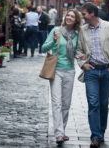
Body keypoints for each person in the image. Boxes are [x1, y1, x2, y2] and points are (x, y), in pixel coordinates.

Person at [76, 2, 109, 148]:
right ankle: (95, 136)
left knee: (103, 104)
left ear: (92, 14)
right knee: (93, 103)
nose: (82, 17)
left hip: (107, 71)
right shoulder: (82, 30)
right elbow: (78, 51)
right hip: (91, 72)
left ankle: (101, 132)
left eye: (84, 14)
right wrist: (83, 65)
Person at [42, 9, 81, 146]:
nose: (69, 18)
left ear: (76, 20)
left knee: (66, 104)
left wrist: (80, 56)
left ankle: (62, 130)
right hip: (56, 70)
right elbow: (43, 48)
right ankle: (58, 133)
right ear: (65, 17)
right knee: (56, 102)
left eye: (73, 16)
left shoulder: (77, 34)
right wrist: (53, 41)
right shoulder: (56, 31)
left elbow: (77, 51)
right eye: (68, 15)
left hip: (70, 71)